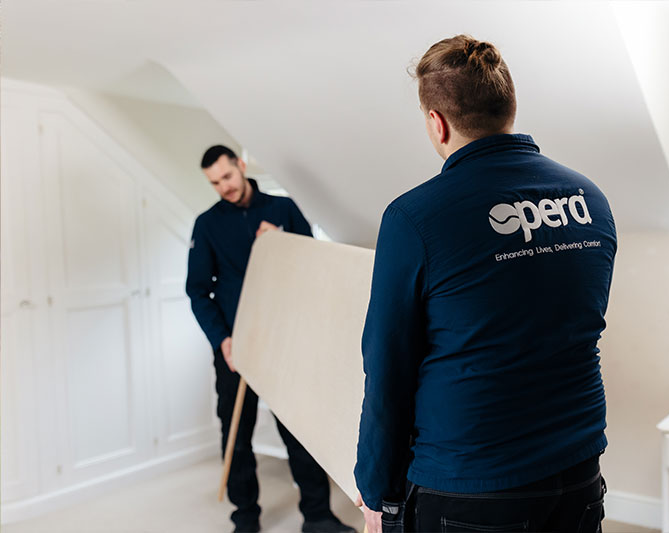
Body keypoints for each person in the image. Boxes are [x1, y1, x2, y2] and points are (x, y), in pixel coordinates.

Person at [354, 36, 617, 533]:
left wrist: (377, 494)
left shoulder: (415, 217)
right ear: (509, 108)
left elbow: (387, 369)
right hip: (577, 472)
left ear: (438, 122)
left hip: (469, 488)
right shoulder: (590, 200)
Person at [186, 145, 356, 533]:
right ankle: (245, 518)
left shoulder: (282, 209)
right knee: (236, 435)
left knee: (299, 430)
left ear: (241, 166)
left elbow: (314, 263)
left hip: (286, 341)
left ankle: (318, 516)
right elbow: (198, 291)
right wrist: (222, 340)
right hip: (237, 345)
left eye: (227, 177)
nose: (223, 187)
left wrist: (282, 240)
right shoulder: (207, 224)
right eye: (214, 183)